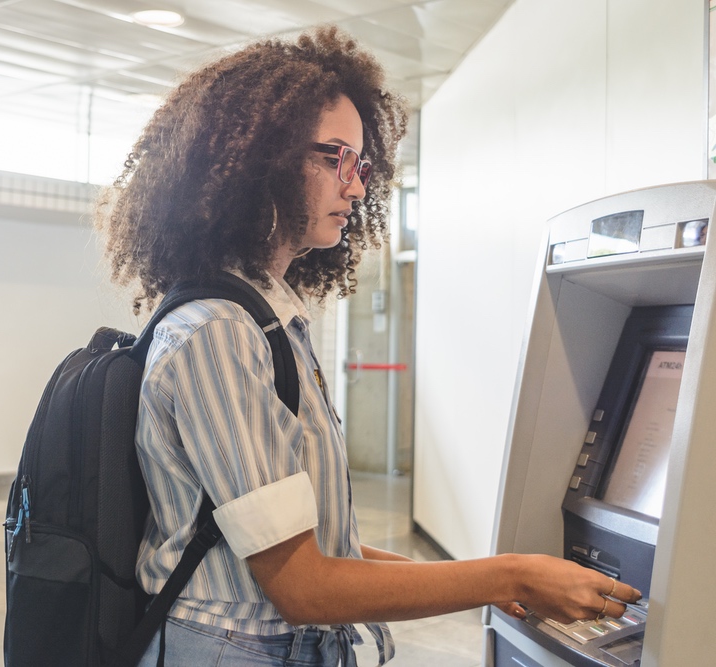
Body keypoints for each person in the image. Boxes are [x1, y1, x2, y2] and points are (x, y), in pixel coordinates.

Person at [94, 25, 641, 667]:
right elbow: (303, 585)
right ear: (260, 163)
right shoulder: (218, 332)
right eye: (336, 159)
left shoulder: (266, 321)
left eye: (362, 165)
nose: (355, 188)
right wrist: (511, 577)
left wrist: (486, 576)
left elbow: (326, 546)